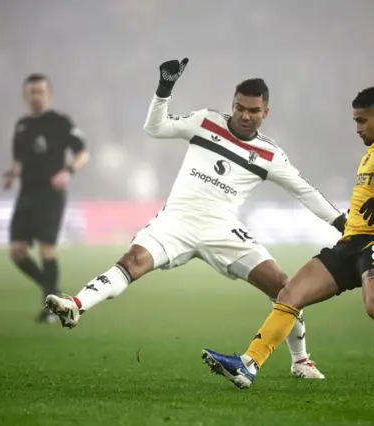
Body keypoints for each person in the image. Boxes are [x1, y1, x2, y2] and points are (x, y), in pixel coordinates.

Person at [45, 58, 347, 380]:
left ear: (265, 113)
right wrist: (165, 89)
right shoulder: (206, 121)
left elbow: (306, 192)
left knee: (286, 288)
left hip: (222, 229)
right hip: (176, 220)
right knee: (131, 262)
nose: (244, 115)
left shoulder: (271, 155)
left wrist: (343, 223)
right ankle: (76, 304)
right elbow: (155, 128)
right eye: (239, 107)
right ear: (231, 104)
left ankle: (300, 360)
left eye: (253, 110)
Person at [201, 87, 374, 392]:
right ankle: (248, 365)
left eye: (362, 121)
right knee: (290, 293)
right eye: (355, 121)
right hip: (349, 244)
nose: (358, 128)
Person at [2, 73, 89, 323]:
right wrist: (11, 174)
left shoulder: (60, 122)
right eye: (31, 92)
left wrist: (68, 171)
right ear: (24, 95)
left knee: (46, 249)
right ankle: (53, 292)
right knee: (17, 251)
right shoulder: (22, 127)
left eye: (40, 91)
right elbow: (19, 161)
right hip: (27, 192)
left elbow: (82, 153)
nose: (36, 96)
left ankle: (50, 307)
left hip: (51, 193)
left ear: (48, 94)